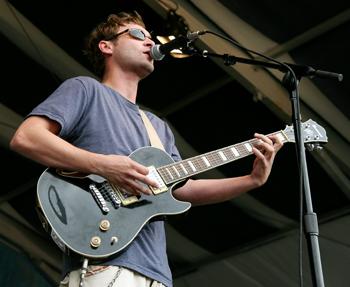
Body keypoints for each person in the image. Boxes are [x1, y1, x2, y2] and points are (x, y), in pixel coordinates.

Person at [10, 11, 283, 287]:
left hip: (156, 274)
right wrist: (103, 165)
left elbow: (182, 189)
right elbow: (27, 137)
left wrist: (251, 180)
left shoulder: (157, 126)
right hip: (102, 265)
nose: (149, 42)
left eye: (150, 37)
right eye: (138, 34)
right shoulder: (86, 89)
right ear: (107, 46)